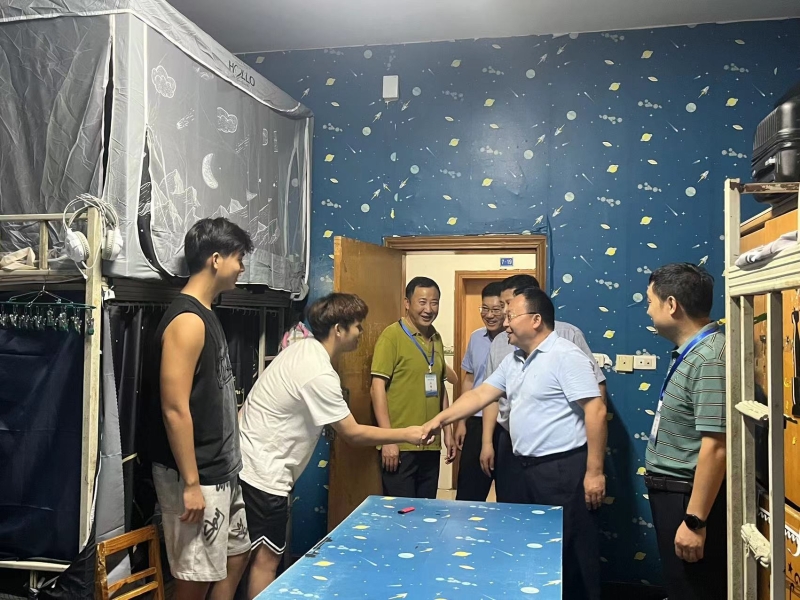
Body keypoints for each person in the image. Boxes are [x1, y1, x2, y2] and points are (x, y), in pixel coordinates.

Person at [420, 286, 607, 600]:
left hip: (562, 469)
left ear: (535, 320)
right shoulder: (515, 360)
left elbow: (596, 411)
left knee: (572, 549)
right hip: (524, 468)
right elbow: (481, 394)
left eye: (511, 315)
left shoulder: (565, 355)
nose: (504, 323)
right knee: (530, 544)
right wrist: (440, 420)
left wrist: (595, 472)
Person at [238, 293, 430, 598]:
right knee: (266, 560)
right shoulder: (318, 372)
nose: (361, 332)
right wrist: (404, 434)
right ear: (339, 329)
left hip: (248, 464)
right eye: (357, 326)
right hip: (263, 474)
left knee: (238, 560)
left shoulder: (301, 348)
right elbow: (352, 433)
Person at [147, 218, 254, 600]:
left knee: (237, 554)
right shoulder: (188, 321)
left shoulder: (207, 312)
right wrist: (191, 484)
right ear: (216, 259)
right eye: (238, 258)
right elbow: (174, 409)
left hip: (221, 470)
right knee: (194, 578)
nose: (242, 267)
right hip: (196, 475)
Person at [480, 274, 607, 502]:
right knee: (515, 510)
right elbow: (485, 395)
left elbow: (596, 402)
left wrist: (594, 467)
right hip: (513, 442)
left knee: (561, 518)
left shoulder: (567, 342)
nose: (504, 318)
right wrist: (486, 441)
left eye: (509, 308)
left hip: (558, 456)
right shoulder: (504, 347)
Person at [644, 263, 727, 600]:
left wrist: (694, 521)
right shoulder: (693, 352)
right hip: (674, 494)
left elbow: (717, 446)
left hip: (688, 497)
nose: (648, 311)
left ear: (672, 304)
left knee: (693, 589)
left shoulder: (710, 357)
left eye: (650, 302)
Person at [371, 276, 455, 498]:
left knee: (425, 510)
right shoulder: (392, 336)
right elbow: (377, 388)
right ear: (407, 303)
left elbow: (440, 387)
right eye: (422, 302)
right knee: (401, 512)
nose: (429, 309)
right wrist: (388, 439)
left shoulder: (436, 338)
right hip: (401, 445)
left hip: (430, 443)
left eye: (434, 303)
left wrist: (448, 432)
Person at [454, 282, 505, 501]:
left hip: (505, 424)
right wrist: (461, 421)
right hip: (476, 421)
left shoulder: (517, 339)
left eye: (496, 309)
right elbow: (469, 379)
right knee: (469, 491)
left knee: (509, 492)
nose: (489, 315)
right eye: (485, 308)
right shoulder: (476, 338)